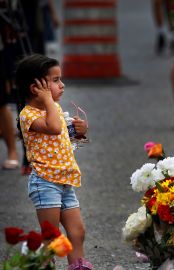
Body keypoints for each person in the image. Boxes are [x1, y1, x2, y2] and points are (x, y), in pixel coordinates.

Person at [16, 54, 91, 269]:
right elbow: (53, 128)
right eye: (56, 80)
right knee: (52, 236)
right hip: (45, 182)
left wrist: (79, 132)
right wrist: (49, 100)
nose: (62, 85)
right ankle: (45, 266)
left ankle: (78, 266)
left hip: (65, 182)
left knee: (78, 232)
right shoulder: (27, 115)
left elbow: (62, 134)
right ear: (35, 88)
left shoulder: (54, 109)